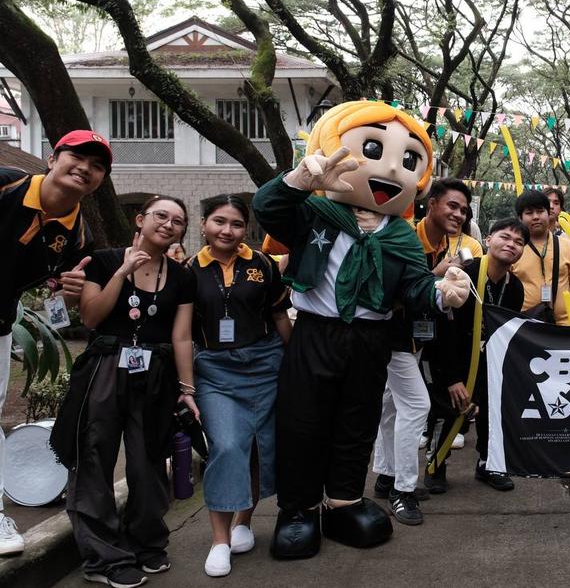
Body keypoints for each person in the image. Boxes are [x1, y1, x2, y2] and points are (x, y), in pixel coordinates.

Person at [252, 100, 471, 560]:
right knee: (303, 423)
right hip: (316, 332)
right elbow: (267, 210)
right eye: (373, 148)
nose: (392, 167)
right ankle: (298, 509)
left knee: (358, 423)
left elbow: (414, 287)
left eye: (409, 159)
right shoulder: (314, 213)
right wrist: (298, 182)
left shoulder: (401, 234)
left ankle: (345, 499)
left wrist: (441, 293)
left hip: (371, 339)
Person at [51, 195, 196, 588]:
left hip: (155, 375)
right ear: (140, 219)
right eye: (160, 216)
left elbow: (181, 337)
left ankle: (146, 542)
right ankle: (103, 558)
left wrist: (187, 389)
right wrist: (122, 272)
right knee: (94, 457)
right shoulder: (105, 260)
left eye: (178, 221)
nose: (168, 224)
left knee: (148, 460)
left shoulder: (182, 276)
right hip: (105, 367)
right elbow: (92, 315)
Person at [0, 130, 109, 556]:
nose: (85, 168)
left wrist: (67, 291)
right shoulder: (6, 183)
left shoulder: (79, 238)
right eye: (76, 157)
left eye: (97, 165)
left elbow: (56, 295)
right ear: (52, 158)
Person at [187, 195, 292, 577]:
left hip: (265, 364)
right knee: (227, 445)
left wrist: (294, 362)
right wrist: (184, 383)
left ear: (245, 228)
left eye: (234, 223)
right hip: (215, 371)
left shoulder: (262, 264)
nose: (226, 230)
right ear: (204, 225)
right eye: (218, 221)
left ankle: (244, 522)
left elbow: (279, 314)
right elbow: (182, 332)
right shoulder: (188, 270)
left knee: (258, 448)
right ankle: (219, 540)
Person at [375, 178, 481, 521]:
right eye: (452, 206)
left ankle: (386, 475)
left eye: (464, 210)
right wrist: (432, 277)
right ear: (431, 203)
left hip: (417, 339)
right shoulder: (402, 236)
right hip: (391, 338)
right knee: (417, 405)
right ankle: (402, 490)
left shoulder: (449, 248)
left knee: (392, 406)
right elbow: (386, 292)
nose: (459, 214)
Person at [427, 217, 527, 491]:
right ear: (488, 240)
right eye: (505, 237)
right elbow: (444, 330)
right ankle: (436, 464)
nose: (511, 244)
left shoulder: (515, 287)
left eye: (519, 242)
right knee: (448, 408)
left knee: (492, 411)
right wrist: (452, 378)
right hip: (453, 354)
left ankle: (488, 464)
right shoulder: (465, 274)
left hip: (489, 358)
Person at [512, 190, 570, 325]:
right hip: (525, 326)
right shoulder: (513, 248)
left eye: (540, 211)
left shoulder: (567, 245)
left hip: (566, 325)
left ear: (548, 213)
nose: (536, 217)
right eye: (529, 213)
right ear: (520, 218)